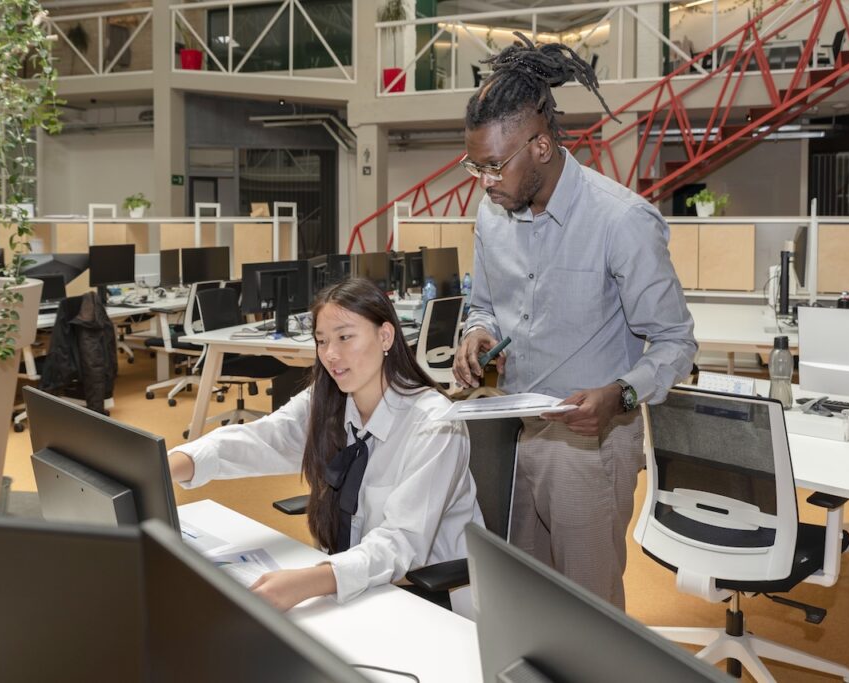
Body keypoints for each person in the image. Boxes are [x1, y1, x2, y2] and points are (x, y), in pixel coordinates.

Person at [453, 34, 697, 609]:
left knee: (588, 610)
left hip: (591, 445)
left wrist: (624, 395)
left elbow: (675, 341)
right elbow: (481, 304)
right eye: (475, 166)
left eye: (493, 166)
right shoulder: (493, 216)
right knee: (520, 598)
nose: (485, 182)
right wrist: (476, 334)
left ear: (540, 146)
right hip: (512, 433)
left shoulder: (622, 222)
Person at [168, 277, 482, 611]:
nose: (331, 354)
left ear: (385, 335)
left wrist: (311, 581)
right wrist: (173, 461)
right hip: (352, 582)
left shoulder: (435, 425)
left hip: (425, 599)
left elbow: (400, 543)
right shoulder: (328, 399)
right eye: (322, 341)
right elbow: (265, 437)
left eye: (345, 337)